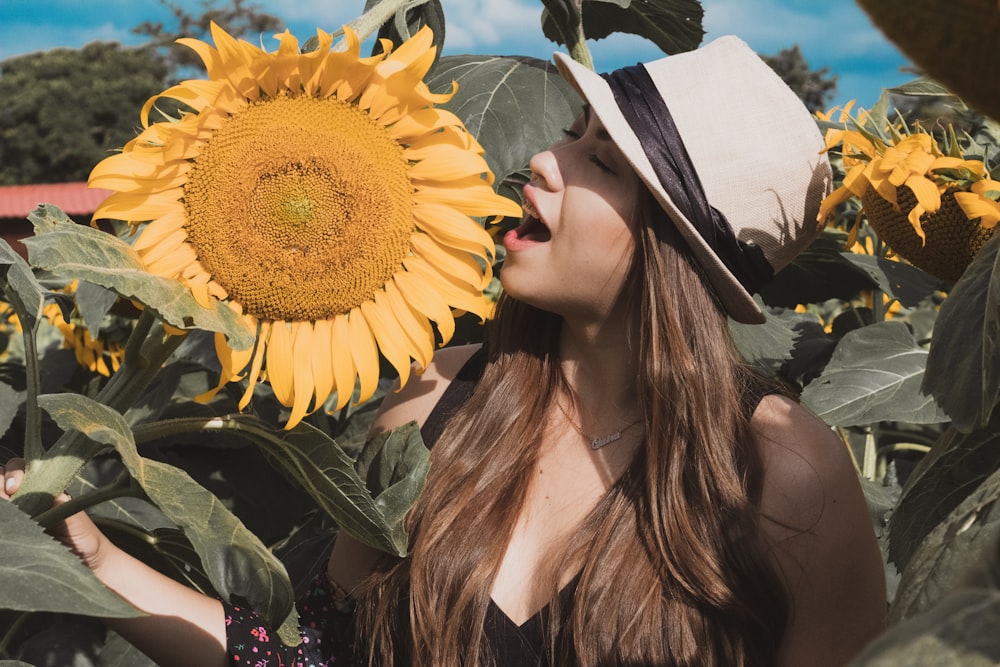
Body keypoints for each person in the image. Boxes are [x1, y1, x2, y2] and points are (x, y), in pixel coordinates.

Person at [1, 35, 887, 666]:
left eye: (602, 163)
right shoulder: (439, 404)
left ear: (677, 252)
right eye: (571, 135)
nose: (543, 160)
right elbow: (310, 660)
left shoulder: (779, 473)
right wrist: (96, 561)